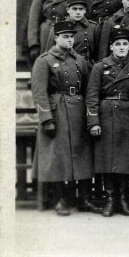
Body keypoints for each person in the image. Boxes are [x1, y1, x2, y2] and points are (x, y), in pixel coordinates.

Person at [31, 20, 100, 216]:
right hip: (57, 111)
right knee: (58, 156)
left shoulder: (79, 60)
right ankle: (59, 199)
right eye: (65, 37)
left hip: (78, 110)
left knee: (82, 154)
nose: (70, 40)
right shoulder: (44, 61)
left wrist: (90, 116)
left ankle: (84, 199)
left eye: (72, 37)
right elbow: (39, 92)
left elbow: (88, 89)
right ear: (56, 38)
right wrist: (46, 118)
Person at [85, 28, 129, 217]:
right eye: (117, 44)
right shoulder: (100, 67)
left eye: (124, 44)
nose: (121, 47)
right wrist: (93, 121)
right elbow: (92, 96)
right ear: (111, 47)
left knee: (126, 158)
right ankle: (110, 198)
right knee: (107, 158)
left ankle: (123, 198)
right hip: (107, 112)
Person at [27, 0, 82, 65]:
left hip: (68, 30)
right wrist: (33, 44)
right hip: (48, 31)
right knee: (47, 62)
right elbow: (33, 20)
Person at [44, 0, 100, 64]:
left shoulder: (93, 27)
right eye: (74, 9)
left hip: (87, 66)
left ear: (85, 10)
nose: (78, 12)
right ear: (68, 10)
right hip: (66, 67)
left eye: (81, 9)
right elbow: (50, 53)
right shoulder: (58, 27)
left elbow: (99, 54)